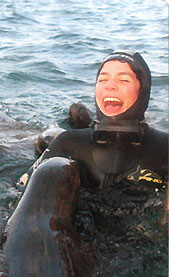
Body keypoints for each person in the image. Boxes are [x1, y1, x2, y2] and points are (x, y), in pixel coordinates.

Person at [21, 51, 168, 189]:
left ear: (142, 90)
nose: (110, 86)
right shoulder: (67, 143)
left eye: (124, 80)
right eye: (103, 79)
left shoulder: (164, 149)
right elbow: (19, 191)